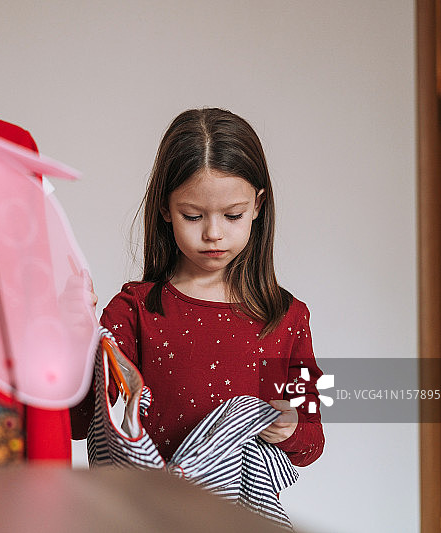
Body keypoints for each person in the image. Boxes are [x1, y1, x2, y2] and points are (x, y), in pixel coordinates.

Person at [72, 108, 324, 467]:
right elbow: (80, 423)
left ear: (258, 205)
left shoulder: (285, 318)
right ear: (165, 208)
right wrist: (77, 337)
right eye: (193, 216)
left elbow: (312, 443)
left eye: (233, 215)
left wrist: (291, 427)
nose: (213, 233)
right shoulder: (135, 311)